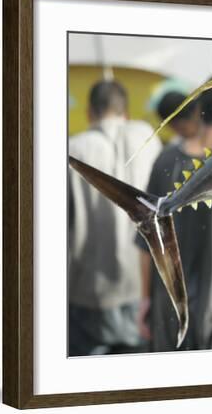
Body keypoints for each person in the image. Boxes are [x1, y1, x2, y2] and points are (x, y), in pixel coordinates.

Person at [136, 87, 212, 352]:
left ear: (199, 113)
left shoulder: (165, 162)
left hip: (169, 312)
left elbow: (146, 242)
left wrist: (144, 300)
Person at [68, 80, 161, 356]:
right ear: (126, 113)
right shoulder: (147, 140)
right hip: (140, 285)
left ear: (89, 113)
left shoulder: (74, 149)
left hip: (88, 291)